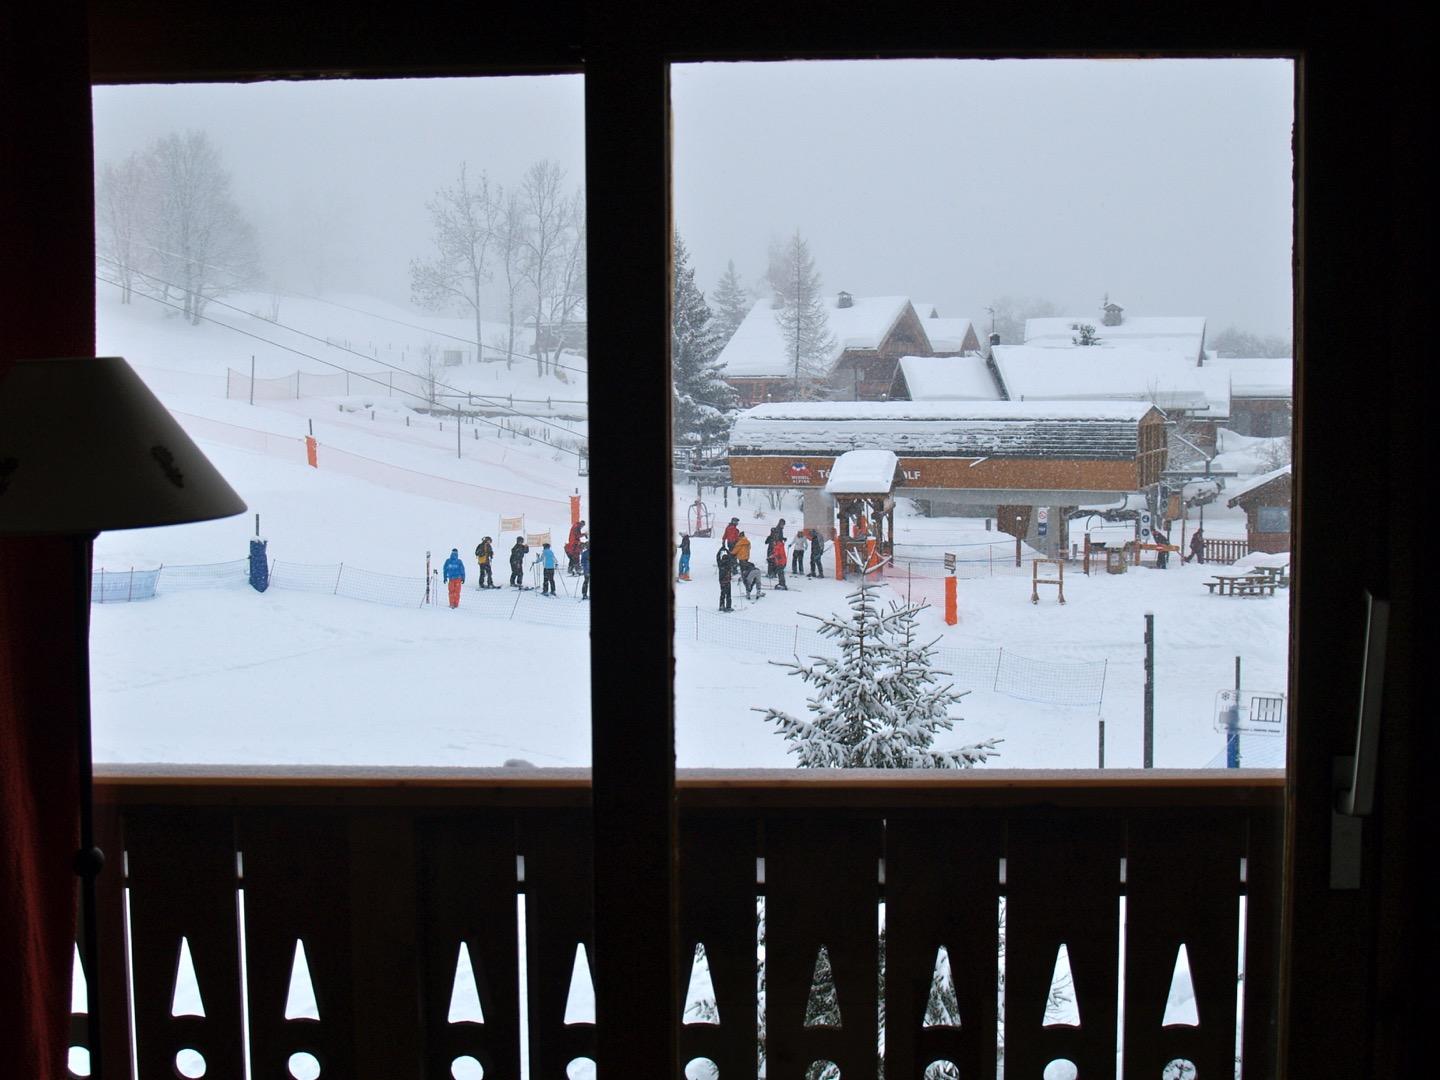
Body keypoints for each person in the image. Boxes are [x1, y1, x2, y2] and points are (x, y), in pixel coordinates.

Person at [716, 546, 735, 612]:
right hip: (727, 581)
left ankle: (721, 606)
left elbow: (717, 557)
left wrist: (720, 550)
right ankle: (728, 607)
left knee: (722, 593)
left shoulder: (720, 564)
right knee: (728, 594)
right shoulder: (728, 564)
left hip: (721, 581)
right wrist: (727, 550)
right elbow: (731, 557)